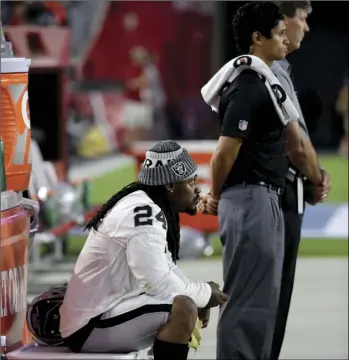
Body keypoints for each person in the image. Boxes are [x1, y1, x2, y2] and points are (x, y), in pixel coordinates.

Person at [198, 2, 328, 359]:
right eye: (281, 32)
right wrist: (214, 196)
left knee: (261, 305)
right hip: (250, 198)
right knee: (247, 303)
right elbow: (223, 154)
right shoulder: (249, 85)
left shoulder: (263, 81)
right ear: (258, 38)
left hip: (262, 196)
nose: (286, 39)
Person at [59, 140, 228, 360]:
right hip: (90, 325)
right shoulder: (143, 212)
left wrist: (199, 296)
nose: (197, 189)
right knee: (183, 309)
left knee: (186, 301)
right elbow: (157, 283)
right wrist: (203, 294)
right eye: (190, 181)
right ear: (169, 185)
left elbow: (166, 268)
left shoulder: (145, 204)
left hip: (101, 314)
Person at [269, 2, 331, 359]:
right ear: (283, 21)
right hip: (277, 197)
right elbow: (295, 142)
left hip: (287, 193)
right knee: (270, 297)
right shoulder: (268, 72)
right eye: (303, 19)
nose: (306, 28)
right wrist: (314, 175)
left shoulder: (282, 70)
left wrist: (313, 176)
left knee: (276, 296)